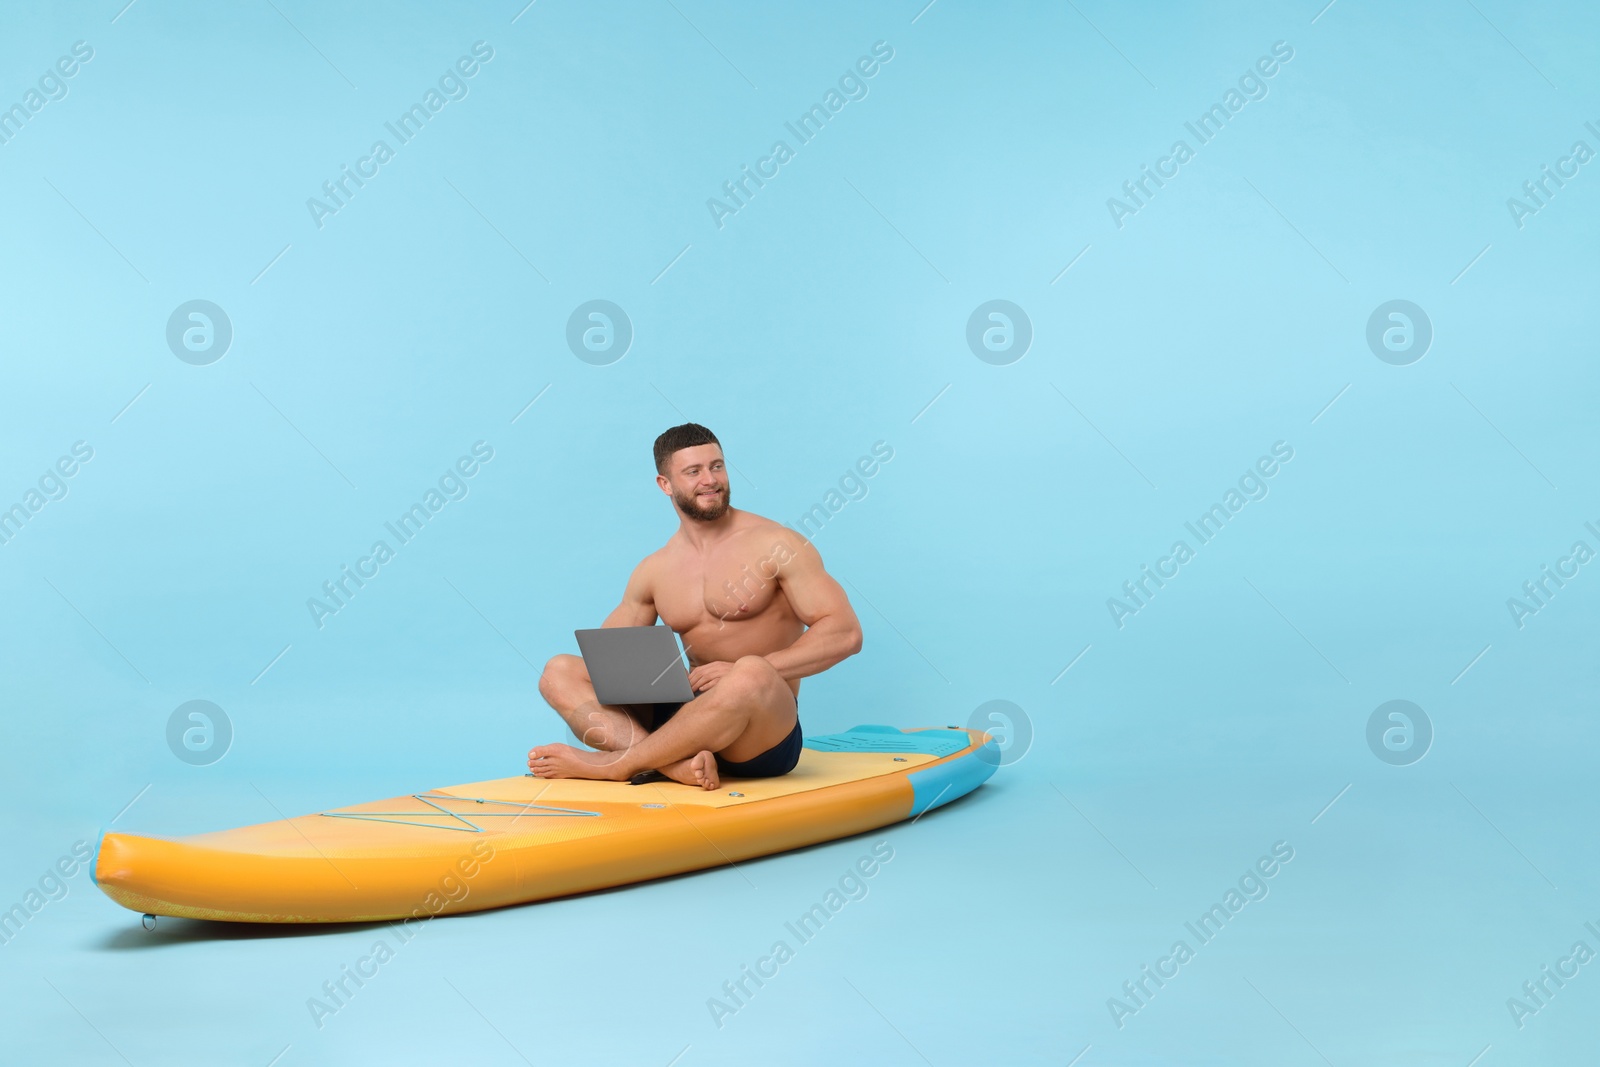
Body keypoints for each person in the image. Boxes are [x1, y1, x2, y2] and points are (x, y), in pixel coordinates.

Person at [529, 423, 863, 790]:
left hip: (755, 731)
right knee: (559, 671)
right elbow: (609, 661)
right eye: (693, 471)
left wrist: (746, 668)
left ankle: (615, 766)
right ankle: (673, 765)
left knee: (749, 672)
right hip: (682, 721)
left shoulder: (777, 544)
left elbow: (845, 633)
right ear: (665, 485)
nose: (710, 480)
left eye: (716, 466)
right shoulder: (654, 569)